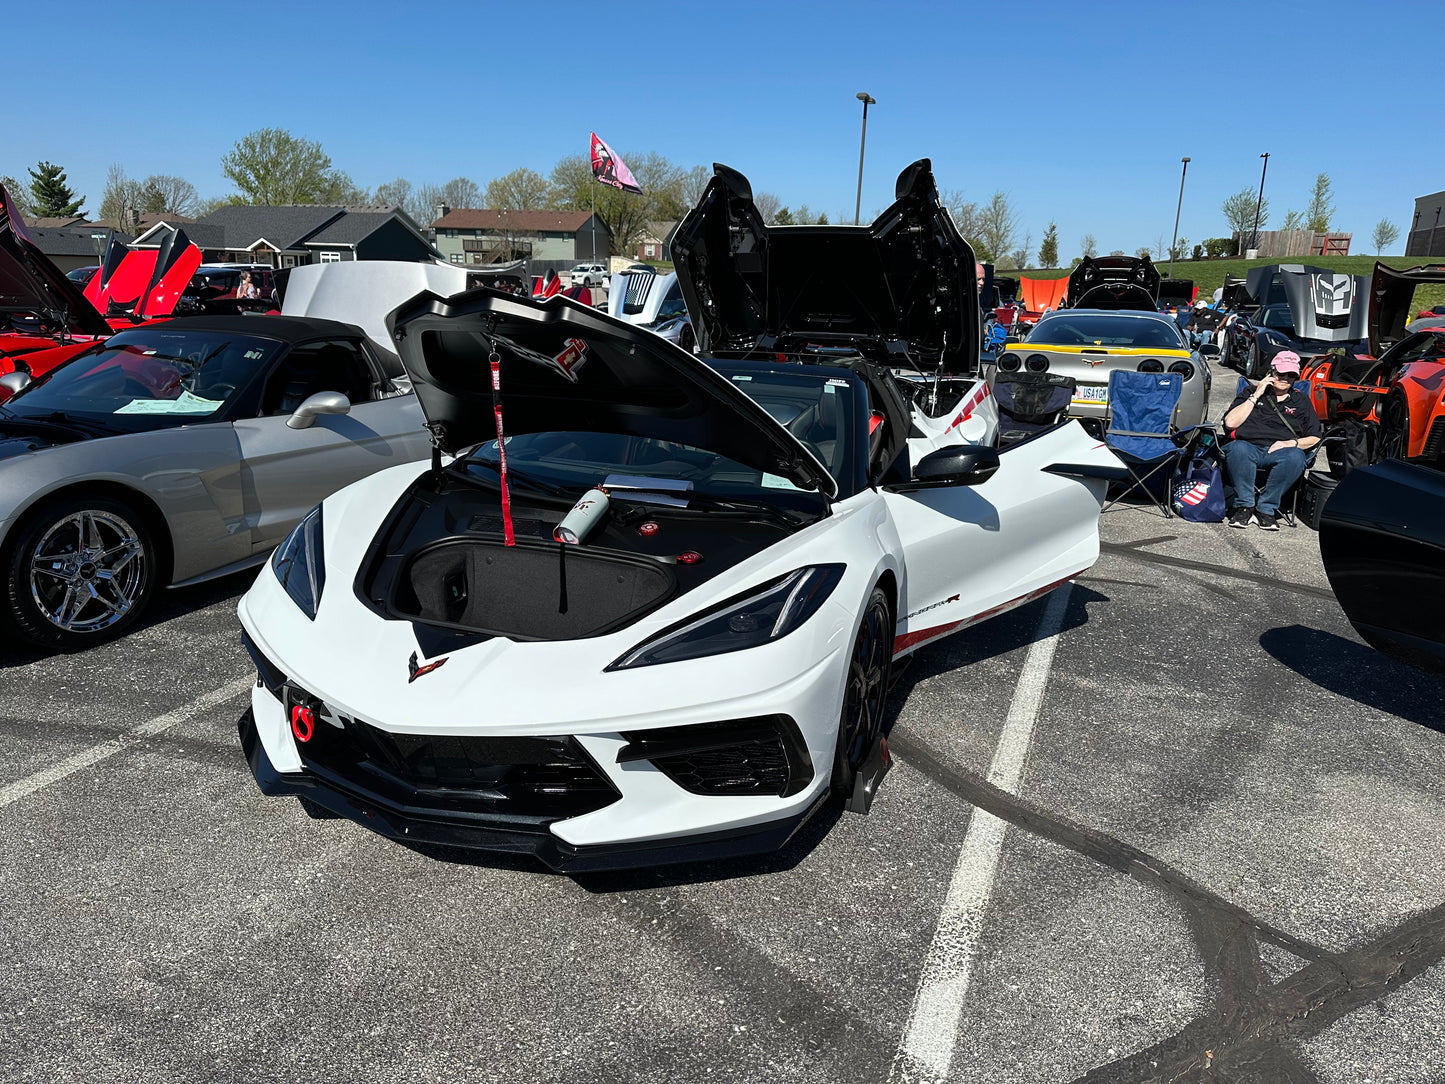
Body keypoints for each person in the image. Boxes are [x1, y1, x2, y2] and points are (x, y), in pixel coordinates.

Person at [1221, 351, 1322, 530]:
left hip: (1282, 451)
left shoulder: (1301, 400)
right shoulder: (1250, 392)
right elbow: (1230, 423)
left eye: (1291, 375)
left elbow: (1315, 436)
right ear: (1271, 373)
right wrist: (1257, 394)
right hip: (1247, 446)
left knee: (1296, 457)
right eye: (1280, 373)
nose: (1285, 378)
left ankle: (1266, 509)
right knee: (1238, 449)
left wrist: (1291, 443)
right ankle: (1244, 506)